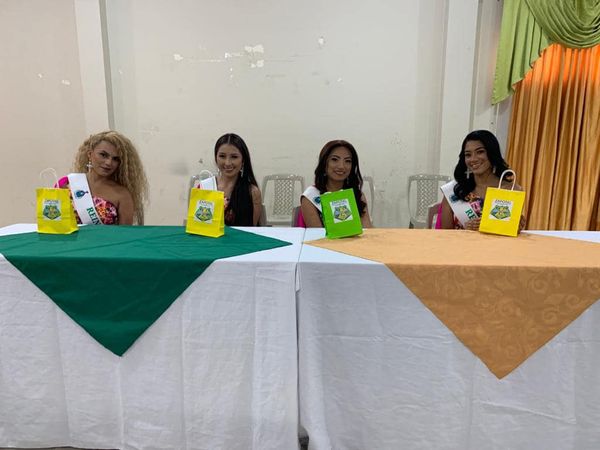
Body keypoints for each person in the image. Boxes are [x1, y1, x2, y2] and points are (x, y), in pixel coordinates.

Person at [439, 129, 525, 231]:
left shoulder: (512, 190)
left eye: (480, 152)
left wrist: (515, 228)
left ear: (492, 153)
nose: (473, 159)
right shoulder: (455, 190)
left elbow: (508, 232)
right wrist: (466, 230)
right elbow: (445, 233)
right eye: (468, 155)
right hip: (461, 241)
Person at [58, 131, 148, 225]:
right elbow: (53, 221)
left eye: (115, 159)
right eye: (103, 155)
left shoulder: (123, 195)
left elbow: (125, 233)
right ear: (90, 154)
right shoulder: (66, 183)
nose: (109, 162)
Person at [300, 139, 373, 228]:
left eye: (347, 161)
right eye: (334, 159)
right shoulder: (310, 196)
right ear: (324, 163)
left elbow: (367, 229)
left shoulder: (357, 195)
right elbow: (317, 234)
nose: (341, 166)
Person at [213, 133, 262, 226]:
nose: (227, 163)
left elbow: (252, 229)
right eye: (222, 156)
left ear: (243, 160)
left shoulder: (252, 192)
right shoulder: (205, 187)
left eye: (234, 157)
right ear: (216, 158)